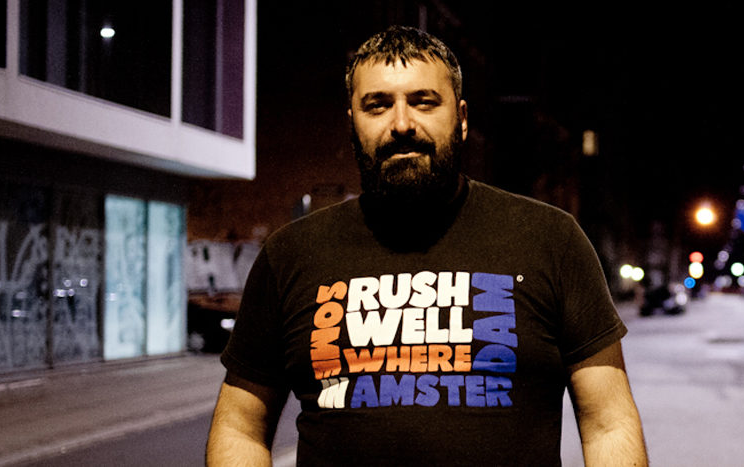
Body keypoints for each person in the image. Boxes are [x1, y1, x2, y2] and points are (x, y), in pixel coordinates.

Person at [206, 25, 648, 466]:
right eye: (377, 105)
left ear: (462, 118)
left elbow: (608, 422)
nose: (402, 124)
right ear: (352, 122)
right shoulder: (291, 255)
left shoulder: (550, 240)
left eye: (423, 102)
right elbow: (239, 426)